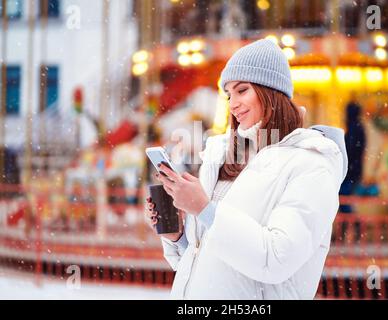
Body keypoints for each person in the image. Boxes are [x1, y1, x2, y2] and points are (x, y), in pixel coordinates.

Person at [145, 39, 348, 299]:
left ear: (270, 91)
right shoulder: (223, 159)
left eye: (242, 90)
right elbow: (214, 266)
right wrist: (179, 238)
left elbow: (276, 258)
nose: (233, 104)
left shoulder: (311, 164)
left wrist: (205, 210)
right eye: (229, 94)